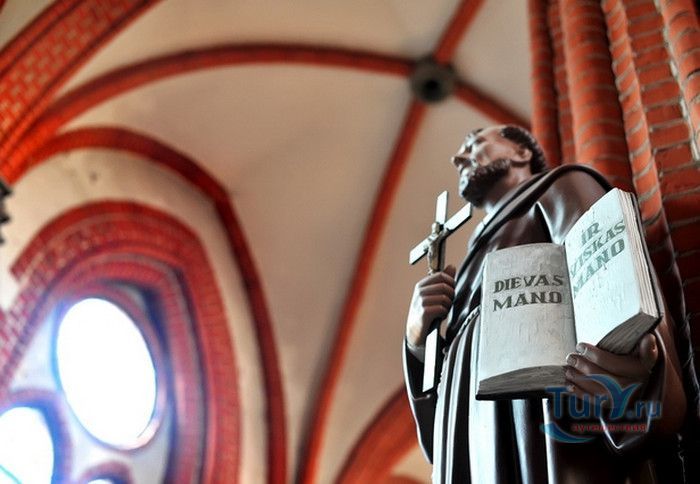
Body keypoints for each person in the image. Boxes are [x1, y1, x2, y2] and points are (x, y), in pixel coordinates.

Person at [403, 125, 691, 483]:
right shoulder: (466, 267)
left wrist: (628, 367)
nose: (458, 158)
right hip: (473, 438)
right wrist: (417, 342)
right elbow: (438, 434)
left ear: (521, 152)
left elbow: (608, 282)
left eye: (474, 143)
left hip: (542, 421)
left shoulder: (561, 188)